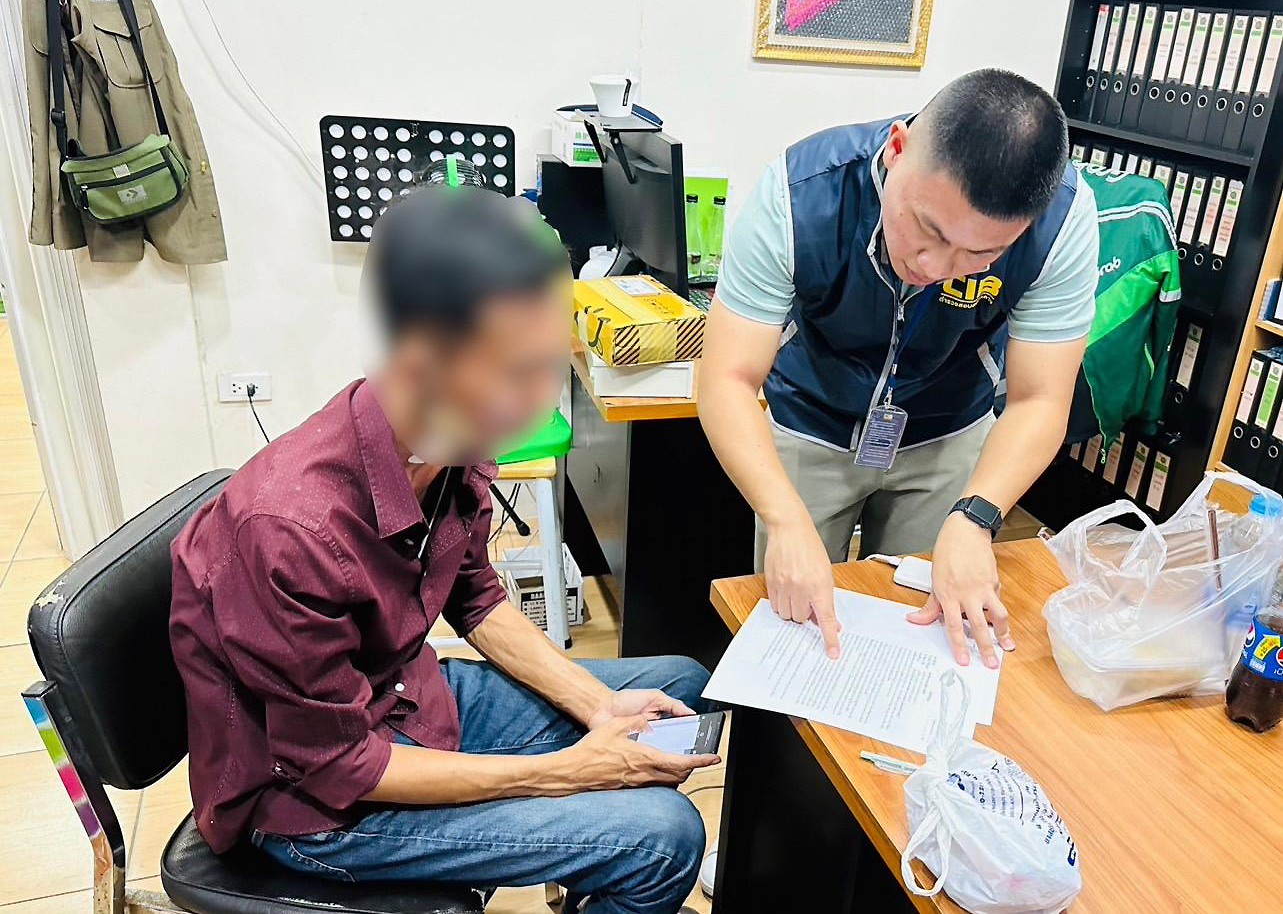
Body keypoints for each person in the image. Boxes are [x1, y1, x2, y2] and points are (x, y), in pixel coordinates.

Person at [169, 186, 718, 914]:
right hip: (314, 808)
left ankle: (594, 868)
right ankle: (614, 861)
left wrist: (599, 705)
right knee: (662, 836)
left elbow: (476, 594)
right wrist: (565, 771)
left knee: (673, 689)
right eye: (518, 371)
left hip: (402, 701)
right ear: (421, 358)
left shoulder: (448, 437)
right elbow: (341, 764)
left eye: (551, 365)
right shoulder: (289, 527)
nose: (542, 400)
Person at [698, 69, 1098, 670]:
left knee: (924, 634)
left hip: (947, 432)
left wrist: (978, 516)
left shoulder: (1060, 222)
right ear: (897, 148)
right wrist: (782, 518)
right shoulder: (799, 192)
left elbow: (1040, 400)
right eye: (927, 228)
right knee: (795, 626)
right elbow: (725, 378)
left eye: (982, 254)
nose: (937, 265)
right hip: (812, 422)